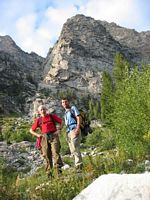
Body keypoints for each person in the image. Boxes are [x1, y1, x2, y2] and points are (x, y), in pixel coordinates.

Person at [30, 105, 63, 178]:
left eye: (44, 109)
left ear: (46, 109)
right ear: (39, 112)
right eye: (41, 109)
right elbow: (31, 130)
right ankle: (49, 175)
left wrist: (59, 130)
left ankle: (59, 173)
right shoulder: (38, 120)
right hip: (44, 137)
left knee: (56, 152)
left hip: (53, 135)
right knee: (46, 155)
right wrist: (38, 135)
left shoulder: (51, 116)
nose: (43, 110)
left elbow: (61, 122)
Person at [61, 97, 83, 171]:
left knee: (75, 147)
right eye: (63, 102)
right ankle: (76, 165)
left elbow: (78, 117)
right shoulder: (65, 113)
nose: (64, 103)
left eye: (66, 102)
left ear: (68, 102)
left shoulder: (73, 108)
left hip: (74, 129)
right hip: (68, 131)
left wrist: (77, 128)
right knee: (72, 149)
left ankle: (79, 165)